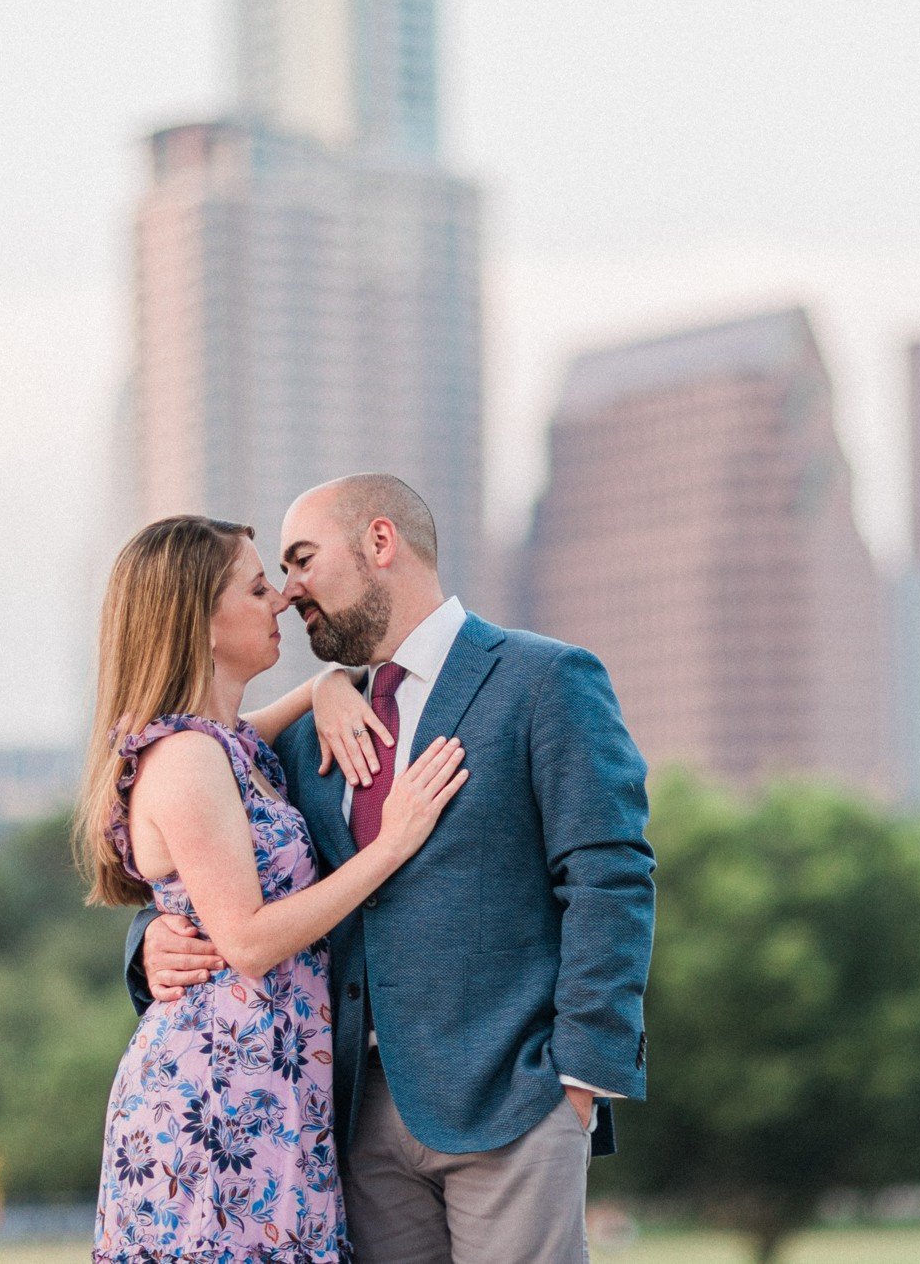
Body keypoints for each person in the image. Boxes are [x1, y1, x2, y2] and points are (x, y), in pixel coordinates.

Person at [127, 474, 655, 1264]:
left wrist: (578, 1079)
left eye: (302, 559)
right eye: (274, 572)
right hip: (343, 1120)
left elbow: (608, 877)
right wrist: (149, 941)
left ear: (380, 543)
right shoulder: (303, 738)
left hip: (513, 1100)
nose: (289, 590)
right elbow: (204, 858)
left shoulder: (544, 681)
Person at [79, 513, 470, 1263]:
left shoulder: (226, 743)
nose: (282, 601)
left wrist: (327, 684)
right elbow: (250, 940)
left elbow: (265, 720)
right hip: (219, 1100)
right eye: (258, 588)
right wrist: (390, 845)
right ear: (202, 620)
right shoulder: (189, 758)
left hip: (272, 1086)